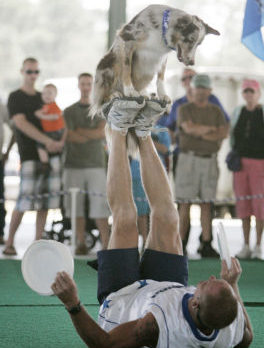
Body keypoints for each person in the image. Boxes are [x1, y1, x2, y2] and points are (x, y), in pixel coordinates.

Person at [51, 97, 253, 348]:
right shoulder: (226, 329)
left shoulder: (156, 327)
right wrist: (232, 284)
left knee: (125, 219)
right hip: (166, 289)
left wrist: (73, 304)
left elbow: (104, 344)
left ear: (195, 302)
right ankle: (144, 132)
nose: (208, 277)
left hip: (125, 300)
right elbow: (246, 339)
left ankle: (117, 128)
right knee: (169, 216)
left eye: (206, 285)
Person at [3, 57, 64, 256]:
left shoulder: (42, 96)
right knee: (24, 200)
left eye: (36, 72)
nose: (33, 75)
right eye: (29, 71)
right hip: (29, 154)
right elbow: (20, 124)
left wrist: (57, 141)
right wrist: (46, 141)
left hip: (49, 154)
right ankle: (10, 241)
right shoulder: (15, 97)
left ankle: (37, 242)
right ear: (22, 72)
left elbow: (56, 120)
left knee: (45, 202)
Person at [176, 74, 229, 257]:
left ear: (209, 91)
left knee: (207, 202)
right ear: (192, 89)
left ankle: (206, 243)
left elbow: (222, 133)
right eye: (197, 87)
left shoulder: (216, 111)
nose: (199, 91)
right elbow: (188, 128)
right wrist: (210, 130)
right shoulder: (184, 109)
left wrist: (199, 131)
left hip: (210, 159)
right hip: (188, 159)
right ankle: (180, 243)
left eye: (203, 88)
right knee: (185, 202)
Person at [230, 79, 264, 260]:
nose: (249, 95)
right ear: (243, 94)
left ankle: (258, 245)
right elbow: (233, 137)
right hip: (240, 164)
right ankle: (245, 245)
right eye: (246, 91)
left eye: (252, 91)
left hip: (261, 164)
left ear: (258, 94)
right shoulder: (238, 112)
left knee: (259, 206)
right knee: (243, 205)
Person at [63, 73, 110, 255]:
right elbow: (69, 135)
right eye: (83, 83)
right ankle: (80, 242)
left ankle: (106, 244)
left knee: (100, 206)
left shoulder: (100, 110)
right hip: (73, 164)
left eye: (89, 84)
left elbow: (101, 133)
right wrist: (90, 132)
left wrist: (81, 132)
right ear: (78, 85)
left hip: (96, 164)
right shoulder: (69, 111)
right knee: (76, 206)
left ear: (93, 86)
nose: (86, 87)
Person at [130, 125, 171, 247]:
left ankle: (157, 242)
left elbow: (165, 149)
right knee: (141, 212)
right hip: (136, 173)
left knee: (158, 211)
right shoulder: (131, 127)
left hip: (158, 174)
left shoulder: (162, 129)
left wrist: (145, 138)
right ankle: (144, 242)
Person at [34, 83, 67, 175]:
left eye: (49, 93)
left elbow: (55, 116)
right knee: (43, 145)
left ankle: (45, 163)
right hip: (50, 132)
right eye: (44, 93)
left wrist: (42, 116)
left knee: (40, 143)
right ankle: (45, 162)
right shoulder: (46, 106)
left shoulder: (53, 106)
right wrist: (40, 114)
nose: (46, 96)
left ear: (55, 95)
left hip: (55, 131)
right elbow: (37, 113)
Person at [0, 99, 14, 245]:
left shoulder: (1, 106)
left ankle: (0, 232)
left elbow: (14, 127)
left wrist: (7, 151)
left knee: (0, 199)